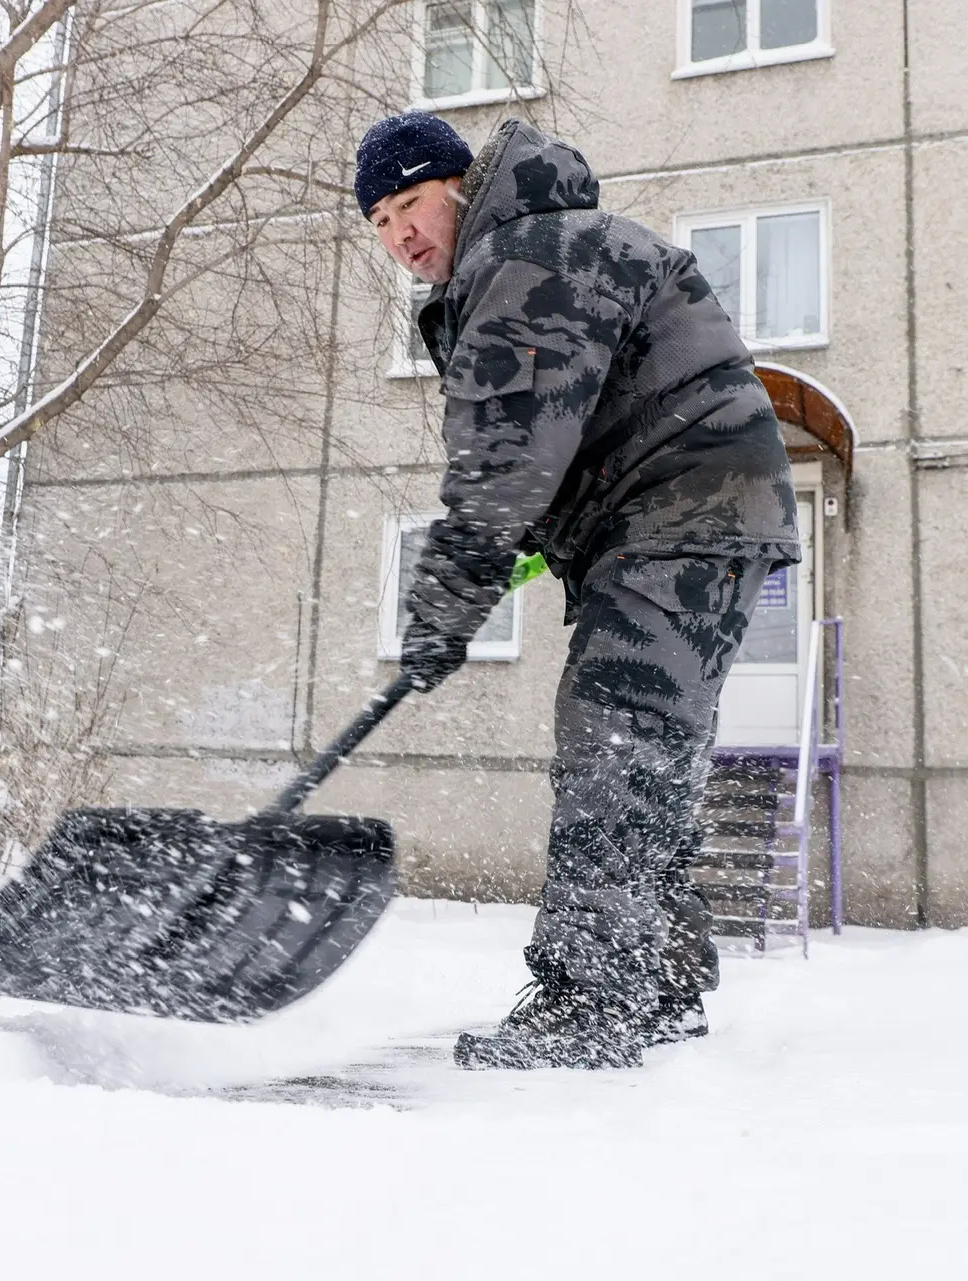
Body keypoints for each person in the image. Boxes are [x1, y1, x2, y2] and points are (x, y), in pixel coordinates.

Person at [357, 113, 800, 1070]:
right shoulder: (539, 247)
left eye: (409, 202)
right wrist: (516, 556)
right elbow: (559, 448)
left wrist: (444, 604)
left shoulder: (528, 253)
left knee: (615, 740)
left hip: (682, 515)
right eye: (380, 221)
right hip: (683, 516)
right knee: (645, 752)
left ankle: (592, 1002)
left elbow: (505, 457)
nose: (399, 234)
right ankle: (661, 982)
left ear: (460, 185)